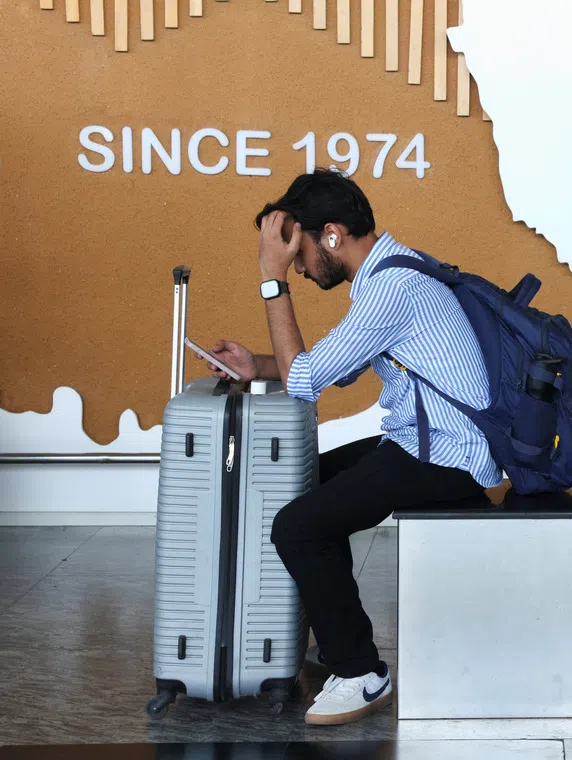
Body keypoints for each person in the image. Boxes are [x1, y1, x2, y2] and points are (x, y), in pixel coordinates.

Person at [202, 169, 503, 726]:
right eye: (288, 257)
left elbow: (306, 380)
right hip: (428, 442)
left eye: (300, 250)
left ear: (332, 234)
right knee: (311, 483)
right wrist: (257, 366)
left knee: (297, 525)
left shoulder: (392, 287)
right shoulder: (390, 273)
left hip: (448, 456)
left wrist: (271, 282)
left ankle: (361, 672)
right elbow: (327, 371)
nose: (297, 264)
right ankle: (342, 635)